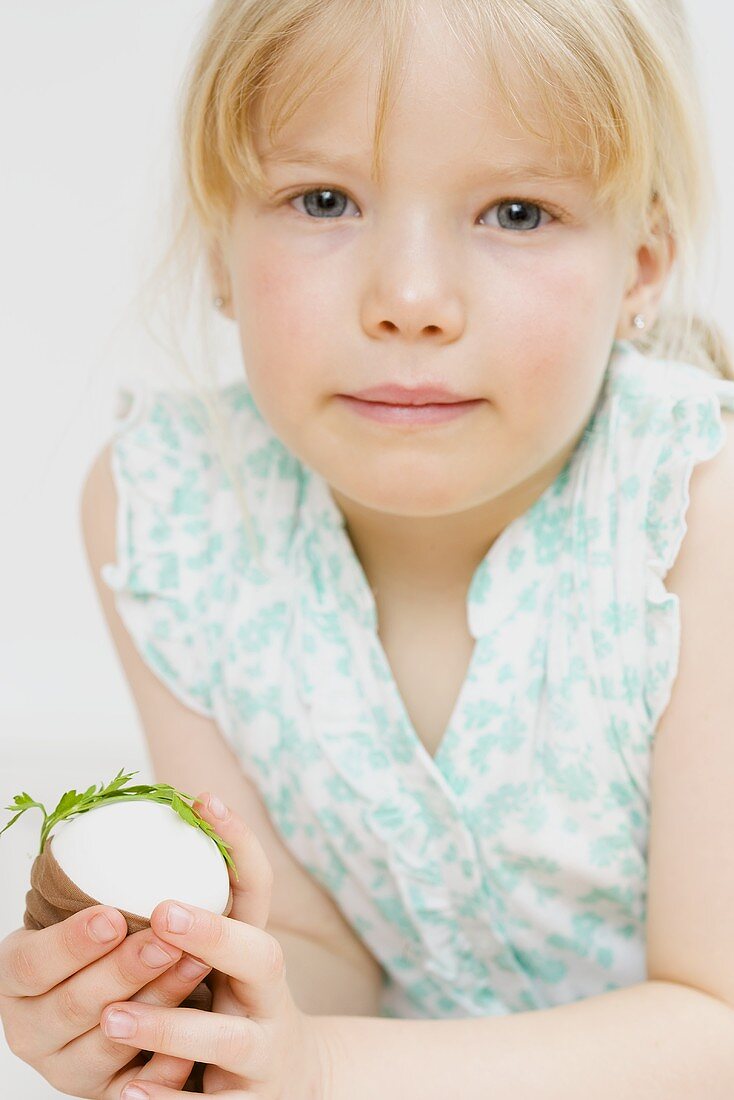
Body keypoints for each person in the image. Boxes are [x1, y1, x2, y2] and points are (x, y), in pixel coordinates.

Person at [3, 0, 734, 1096]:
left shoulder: (692, 513)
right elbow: (313, 948)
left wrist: (322, 1063)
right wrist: (186, 1020)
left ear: (639, 265)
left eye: (517, 212)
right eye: (323, 198)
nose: (407, 301)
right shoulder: (168, 515)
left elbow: (715, 1021)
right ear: (219, 242)